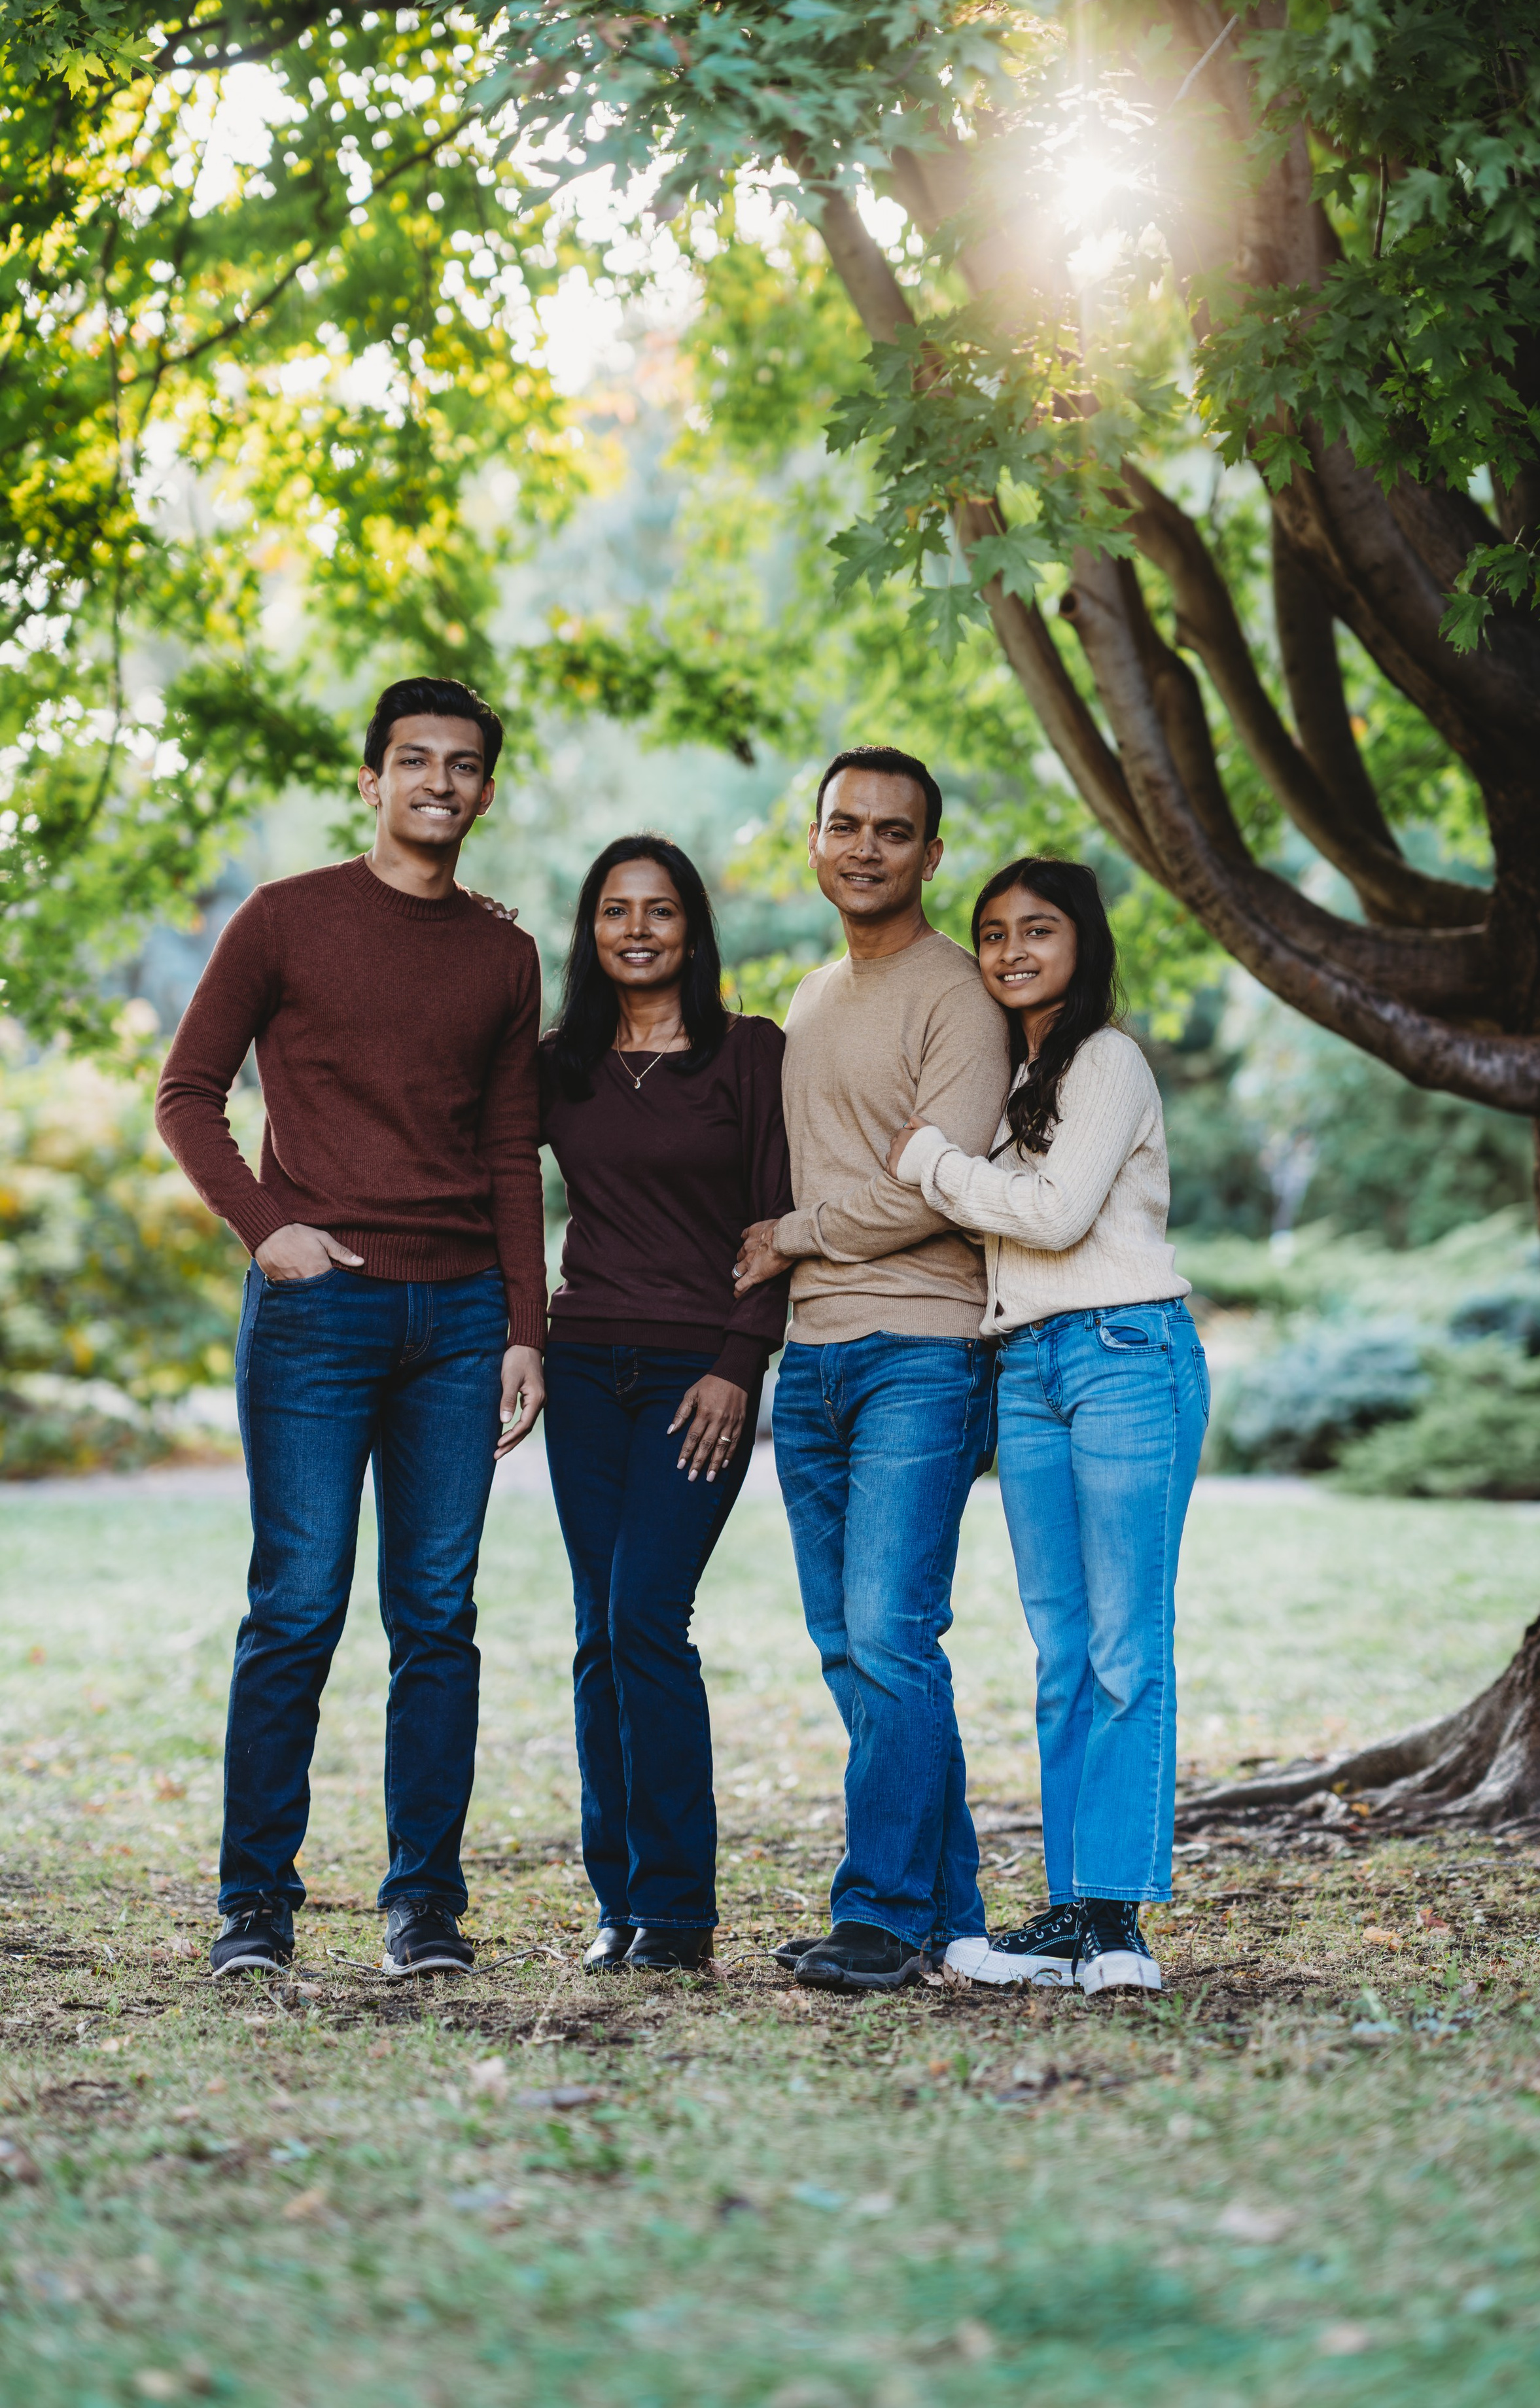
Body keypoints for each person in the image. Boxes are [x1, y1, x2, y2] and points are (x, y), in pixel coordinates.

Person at [155, 676, 548, 1981]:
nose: (438, 781)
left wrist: (523, 1326)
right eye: (413, 760)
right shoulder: (284, 920)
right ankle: (254, 1904)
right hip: (316, 1308)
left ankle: (422, 1903)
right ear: (370, 781)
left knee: (436, 1615)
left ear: (485, 792)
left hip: (458, 1322)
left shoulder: (502, 953)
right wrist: (266, 1228)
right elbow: (188, 1095)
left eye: (463, 764)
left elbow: (506, 1151)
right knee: (298, 1606)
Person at [886, 856, 1207, 1997]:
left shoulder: (1108, 1061)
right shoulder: (1016, 1081)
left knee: (1125, 1650)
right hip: (1024, 1365)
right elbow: (1016, 1223)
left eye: (1038, 929)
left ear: (1085, 942)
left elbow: (1060, 1217)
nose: (1012, 950)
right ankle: (1075, 1909)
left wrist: (931, 1164)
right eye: (993, 933)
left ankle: (1121, 1922)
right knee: (1062, 1654)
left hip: (1125, 1353)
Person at [733, 747, 1011, 1993]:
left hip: (923, 1347)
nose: (864, 848)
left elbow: (936, 1179)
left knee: (893, 1638)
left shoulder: (958, 995)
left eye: (893, 833)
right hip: (817, 1357)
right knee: (854, 1649)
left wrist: (793, 1233)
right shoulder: (808, 996)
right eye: (844, 825)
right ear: (813, 839)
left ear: (930, 856)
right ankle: (947, 1917)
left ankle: (881, 1915)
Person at [541, 837, 792, 1976]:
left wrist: (741, 1362)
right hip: (585, 1365)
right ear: (589, 931)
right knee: (599, 1632)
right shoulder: (559, 1065)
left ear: (694, 927)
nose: (636, 929)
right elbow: (490, 1183)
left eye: (659, 910)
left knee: (648, 1615)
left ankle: (680, 1913)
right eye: (612, 911)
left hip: (701, 1372)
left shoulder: (750, 1055)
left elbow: (778, 1215)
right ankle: (620, 1904)